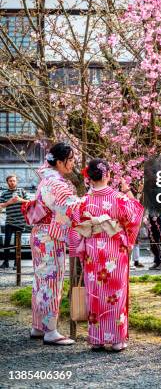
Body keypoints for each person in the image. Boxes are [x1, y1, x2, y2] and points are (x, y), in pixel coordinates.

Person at [69, 159, 144, 351]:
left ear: (88, 177)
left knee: (95, 292)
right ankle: (117, 339)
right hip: (114, 250)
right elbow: (135, 217)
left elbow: (75, 226)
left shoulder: (83, 201)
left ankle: (97, 338)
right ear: (108, 175)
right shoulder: (119, 198)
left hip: (92, 250)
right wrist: (128, 241)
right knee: (115, 293)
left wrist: (78, 248)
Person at [21, 142, 83, 345]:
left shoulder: (46, 180)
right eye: (70, 160)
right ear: (59, 162)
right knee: (51, 280)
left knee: (40, 279)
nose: (73, 163)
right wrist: (87, 205)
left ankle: (38, 326)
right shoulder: (56, 183)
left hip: (40, 233)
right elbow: (68, 206)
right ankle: (50, 330)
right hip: (49, 236)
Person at [0, 175, 28, 269]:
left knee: (18, 243)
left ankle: (17, 263)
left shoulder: (22, 191)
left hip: (20, 221)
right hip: (9, 221)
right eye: (10, 181)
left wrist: (21, 200)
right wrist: (9, 202)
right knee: (7, 242)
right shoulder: (4, 193)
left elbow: (30, 202)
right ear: (7, 182)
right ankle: (5, 262)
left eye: (14, 181)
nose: (12, 182)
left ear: (17, 182)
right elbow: (1, 205)